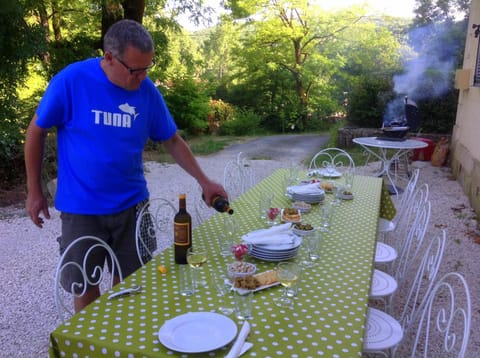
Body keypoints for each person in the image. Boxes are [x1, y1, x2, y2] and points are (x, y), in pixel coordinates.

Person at [24, 19, 228, 312]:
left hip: (133, 206)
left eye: (148, 68)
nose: (143, 77)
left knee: (133, 286)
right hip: (82, 208)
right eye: (135, 69)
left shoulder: (146, 91)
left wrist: (204, 181)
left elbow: (170, 140)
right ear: (109, 57)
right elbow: (36, 131)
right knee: (84, 286)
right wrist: (34, 190)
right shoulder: (72, 81)